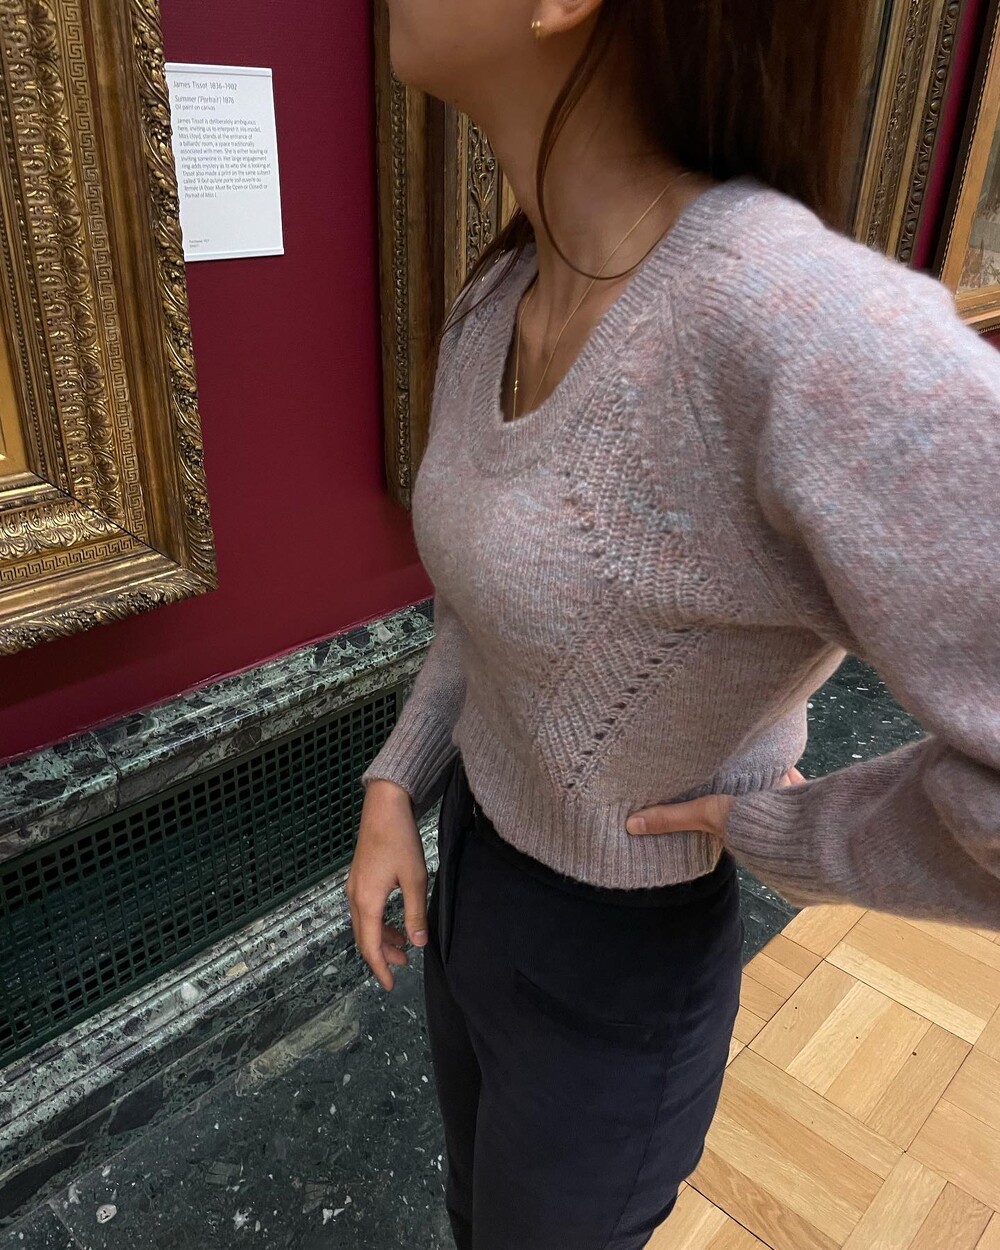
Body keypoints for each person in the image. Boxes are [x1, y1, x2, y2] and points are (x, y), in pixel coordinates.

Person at [348, 2, 1000, 1246]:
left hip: (617, 967)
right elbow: (491, 601)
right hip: (475, 887)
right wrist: (398, 779)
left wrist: (800, 835)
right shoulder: (499, 296)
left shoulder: (798, 326)